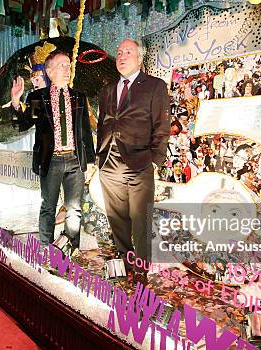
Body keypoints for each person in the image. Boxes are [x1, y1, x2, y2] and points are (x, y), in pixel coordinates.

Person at [96, 38, 170, 282]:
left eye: (128, 52)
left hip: (140, 162)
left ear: (139, 58)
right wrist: (99, 156)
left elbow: (162, 125)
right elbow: (103, 124)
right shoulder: (107, 89)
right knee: (117, 218)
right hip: (109, 162)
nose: (122, 56)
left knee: (141, 220)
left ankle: (141, 270)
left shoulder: (154, 86)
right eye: (118, 52)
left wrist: (154, 160)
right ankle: (125, 260)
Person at [10, 51, 95, 252]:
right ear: (49, 71)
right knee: (48, 206)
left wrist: (89, 161)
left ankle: (69, 250)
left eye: (68, 65)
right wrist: (16, 102)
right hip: (51, 159)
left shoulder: (78, 97)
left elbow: (84, 131)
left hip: (75, 160)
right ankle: (45, 248)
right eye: (61, 65)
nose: (67, 69)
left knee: (74, 209)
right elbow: (24, 124)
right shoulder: (39, 97)